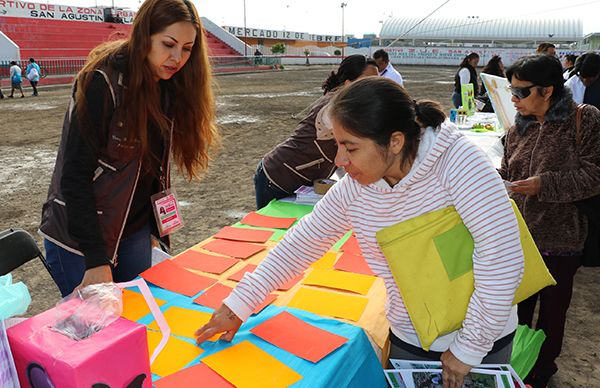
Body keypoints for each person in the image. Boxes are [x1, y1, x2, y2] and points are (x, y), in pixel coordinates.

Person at [197, 77, 525, 388]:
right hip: (411, 336)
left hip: (482, 338)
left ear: (395, 142)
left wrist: (468, 348)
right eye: (338, 145)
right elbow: (302, 243)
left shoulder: (458, 161)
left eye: (350, 148)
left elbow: (502, 259)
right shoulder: (356, 186)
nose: (340, 160)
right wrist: (238, 305)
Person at [39, 0, 219, 297]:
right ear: (144, 35)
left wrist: (151, 229)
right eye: (168, 44)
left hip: (134, 231)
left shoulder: (169, 85)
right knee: (95, 334)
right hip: (80, 241)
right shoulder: (102, 80)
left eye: (187, 49)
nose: (177, 58)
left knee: (139, 320)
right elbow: (74, 176)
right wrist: (96, 259)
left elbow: (150, 171)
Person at [500, 54, 600, 388]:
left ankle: (541, 373)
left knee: (553, 316)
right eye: (511, 91)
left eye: (521, 92)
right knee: (516, 314)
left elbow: (594, 176)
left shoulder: (583, 120)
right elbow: (508, 171)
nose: (514, 100)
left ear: (548, 90)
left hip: (562, 240)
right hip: (519, 241)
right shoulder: (518, 128)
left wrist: (545, 185)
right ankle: (513, 370)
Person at [253, 55, 378, 209]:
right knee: (269, 228)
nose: (374, 88)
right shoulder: (335, 107)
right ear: (348, 83)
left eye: (377, 81)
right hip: (277, 176)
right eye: (367, 82)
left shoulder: (348, 104)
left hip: (301, 179)